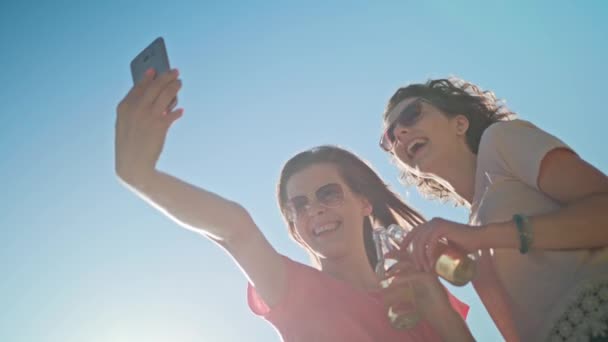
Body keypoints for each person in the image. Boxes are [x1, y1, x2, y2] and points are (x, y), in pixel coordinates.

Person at [113, 68, 472, 341]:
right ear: (295, 227)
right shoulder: (294, 291)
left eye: (328, 194)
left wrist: (434, 302)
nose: (314, 209)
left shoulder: (415, 291)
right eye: (298, 205)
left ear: (363, 202)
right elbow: (236, 229)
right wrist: (139, 175)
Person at [379, 77, 608, 341]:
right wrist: (434, 298)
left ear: (460, 123)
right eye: (389, 136)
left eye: (412, 114)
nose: (399, 133)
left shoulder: (499, 142)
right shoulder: (466, 241)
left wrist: (482, 237)